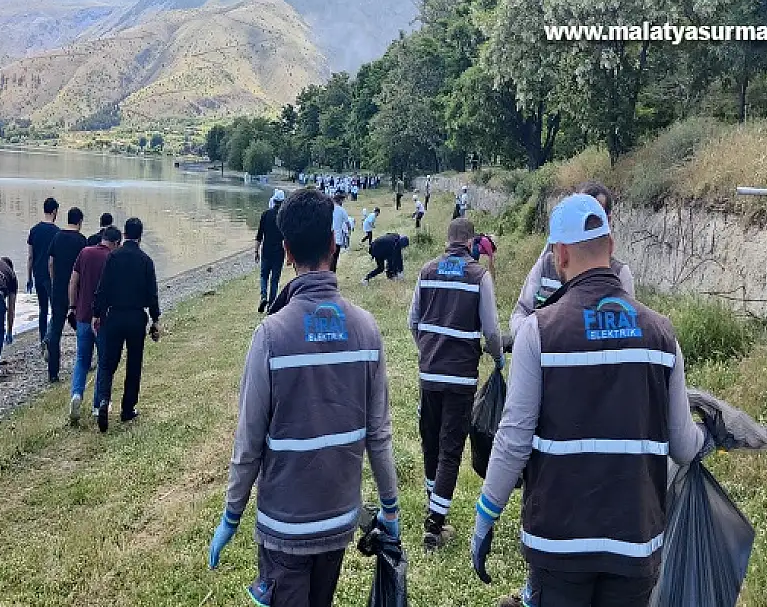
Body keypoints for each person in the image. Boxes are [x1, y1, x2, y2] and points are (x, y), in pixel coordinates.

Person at [471, 194, 707, 607]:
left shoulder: (538, 332)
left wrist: (486, 515)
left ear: (559, 255)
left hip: (559, 542)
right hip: (635, 541)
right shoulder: (661, 334)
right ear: (611, 247)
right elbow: (684, 446)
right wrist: (710, 433)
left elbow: (513, 439)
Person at [206, 189, 400, 607]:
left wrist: (231, 516)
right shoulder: (367, 330)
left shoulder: (270, 336)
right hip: (339, 523)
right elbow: (380, 435)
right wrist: (391, 509)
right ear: (333, 244)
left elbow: (247, 445)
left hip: (285, 528)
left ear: (287, 251)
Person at [408, 217, 504, 552]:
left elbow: (413, 321)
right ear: (472, 242)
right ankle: (434, 524)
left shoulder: (427, 271)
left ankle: (433, 507)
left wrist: (428, 350)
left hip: (430, 373)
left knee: (430, 443)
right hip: (461, 377)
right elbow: (491, 331)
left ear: (448, 240)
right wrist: (498, 359)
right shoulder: (479, 276)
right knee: (451, 448)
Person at [509, 181, 635, 337]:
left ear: (608, 221)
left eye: (593, 217)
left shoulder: (620, 273)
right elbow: (520, 313)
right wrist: (533, 338)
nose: (585, 225)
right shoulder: (545, 264)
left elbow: (628, 330)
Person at [92, 218, 161, 433]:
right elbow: (152, 294)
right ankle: (127, 408)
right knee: (134, 363)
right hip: (136, 317)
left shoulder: (113, 257)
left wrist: (97, 313)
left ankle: (103, 400)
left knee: (107, 362)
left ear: (124, 234)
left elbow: (103, 288)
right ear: (141, 236)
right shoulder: (146, 260)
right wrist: (155, 318)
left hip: (114, 316)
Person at [67, 226, 120, 426]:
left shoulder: (85, 252)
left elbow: (73, 282)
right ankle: (98, 406)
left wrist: (72, 307)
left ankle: (76, 394)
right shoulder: (113, 259)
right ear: (115, 243)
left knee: (82, 359)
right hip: (103, 319)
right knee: (103, 362)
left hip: (82, 315)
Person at [45, 207, 87, 383]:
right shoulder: (82, 241)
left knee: (55, 330)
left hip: (58, 290)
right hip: (76, 292)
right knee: (82, 329)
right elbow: (84, 268)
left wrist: (55, 282)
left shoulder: (57, 237)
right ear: (80, 222)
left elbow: (51, 263)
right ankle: (84, 363)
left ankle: (53, 373)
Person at [27, 197, 60, 346]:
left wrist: (29, 278)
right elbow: (56, 258)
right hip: (51, 276)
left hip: (37, 274)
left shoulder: (34, 230)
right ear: (54, 211)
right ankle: (51, 338)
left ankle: (42, 339)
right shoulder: (57, 232)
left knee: (42, 309)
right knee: (55, 309)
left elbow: (30, 257)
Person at [256, 189, 287, 313]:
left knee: (264, 276)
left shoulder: (265, 214)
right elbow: (287, 237)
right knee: (275, 279)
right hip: (279, 252)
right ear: (283, 202)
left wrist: (256, 251)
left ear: (273, 201)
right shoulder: (284, 217)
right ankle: (271, 305)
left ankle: (263, 296)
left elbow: (259, 235)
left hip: (266, 250)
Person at [330, 191, 352, 273]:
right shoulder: (342, 210)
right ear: (340, 201)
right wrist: (349, 231)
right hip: (337, 239)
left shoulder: (328, 209)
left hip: (327, 238)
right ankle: (332, 276)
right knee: (334, 260)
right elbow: (348, 224)